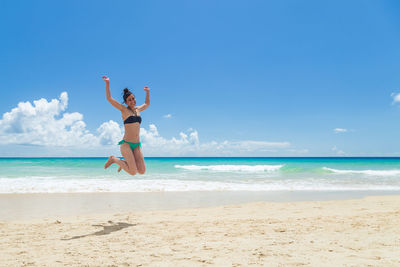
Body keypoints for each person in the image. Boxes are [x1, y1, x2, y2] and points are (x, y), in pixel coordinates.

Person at [102, 75, 150, 175]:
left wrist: (148, 92)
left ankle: (123, 163)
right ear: (126, 102)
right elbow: (109, 98)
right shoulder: (124, 110)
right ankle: (114, 159)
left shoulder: (138, 109)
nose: (132, 101)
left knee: (142, 171)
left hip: (137, 145)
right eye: (129, 100)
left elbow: (147, 103)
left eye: (133, 98)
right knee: (133, 172)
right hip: (126, 144)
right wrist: (107, 83)